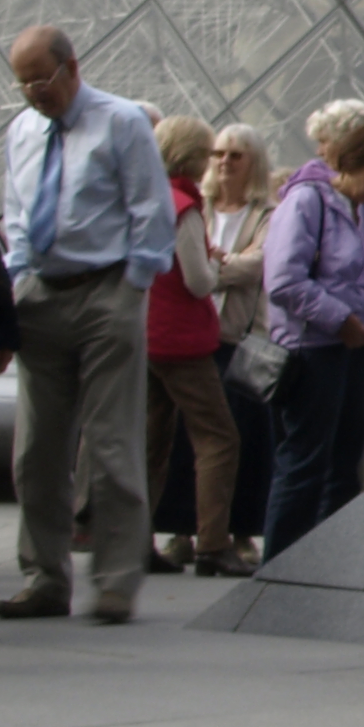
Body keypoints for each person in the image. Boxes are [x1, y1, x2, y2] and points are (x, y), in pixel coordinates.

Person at [0, 26, 176, 622]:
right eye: (23, 83)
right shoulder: (22, 131)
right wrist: (18, 280)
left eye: (41, 79)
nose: (33, 92)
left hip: (107, 291)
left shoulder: (121, 122)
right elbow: (18, 212)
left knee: (112, 442)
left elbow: (150, 207)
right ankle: (44, 578)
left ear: (72, 68)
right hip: (41, 294)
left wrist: (134, 286)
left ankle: (117, 580)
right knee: (35, 452)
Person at [261, 117, 364, 562]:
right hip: (313, 350)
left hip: (357, 349)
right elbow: (283, 280)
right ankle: (282, 562)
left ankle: (329, 561)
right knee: (305, 460)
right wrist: (340, 319)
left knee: (345, 461)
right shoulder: (307, 202)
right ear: (351, 163)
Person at [140, 116, 245, 577]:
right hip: (181, 339)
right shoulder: (184, 206)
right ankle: (213, 543)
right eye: (208, 153)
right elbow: (198, 281)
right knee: (219, 438)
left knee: (151, 442)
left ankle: (135, 540)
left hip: (146, 334)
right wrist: (218, 266)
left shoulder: (145, 198)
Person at [201, 125, 280, 567]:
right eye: (218, 154)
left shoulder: (269, 211)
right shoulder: (197, 205)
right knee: (191, 440)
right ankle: (189, 528)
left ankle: (242, 530)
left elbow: (258, 265)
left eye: (235, 155)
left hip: (241, 338)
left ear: (254, 162)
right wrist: (228, 264)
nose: (224, 162)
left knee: (246, 437)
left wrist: (210, 267)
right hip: (197, 337)